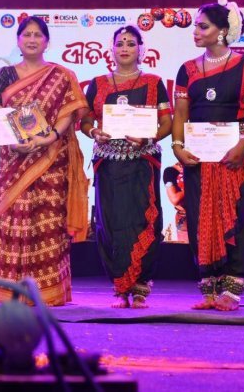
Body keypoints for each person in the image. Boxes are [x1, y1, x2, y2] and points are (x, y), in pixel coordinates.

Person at [0, 16, 89, 306]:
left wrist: (48, 137)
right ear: (18, 40)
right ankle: (11, 291)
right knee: (14, 221)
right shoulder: (6, 74)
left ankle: (48, 292)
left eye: (38, 35)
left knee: (47, 224)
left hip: (50, 159)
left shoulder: (61, 75)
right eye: (26, 35)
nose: (32, 39)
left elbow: (69, 111)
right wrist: (15, 142)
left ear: (46, 41)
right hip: (13, 160)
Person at [171, 0, 244, 311]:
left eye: (202, 26)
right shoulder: (187, 70)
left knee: (237, 218)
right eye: (195, 26)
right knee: (199, 218)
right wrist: (177, 147)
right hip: (198, 158)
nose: (195, 31)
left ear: (222, 31)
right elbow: (181, 115)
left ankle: (232, 290)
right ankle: (208, 288)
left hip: (233, 156)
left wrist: (243, 145)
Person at [81, 25, 172, 308]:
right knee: (111, 224)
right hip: (108, 165)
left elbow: (167, 123)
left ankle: (142, 286)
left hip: (142, 163)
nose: (125, 48)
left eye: (131, 43)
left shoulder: (154, 82)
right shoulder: (97, 84)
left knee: (144, 221)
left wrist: (150, 136)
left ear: (141, 49)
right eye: (120, 43)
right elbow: (84, 120)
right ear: (111, 49)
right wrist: (93, 132)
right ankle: (120, 286)